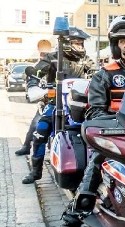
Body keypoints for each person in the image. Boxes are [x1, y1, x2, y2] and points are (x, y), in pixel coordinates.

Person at [43, 15, 125, 227]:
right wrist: (116, 123)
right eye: (123, 41)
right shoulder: (105, 75)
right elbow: (93, 113)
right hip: (115, 141)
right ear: (115, 45)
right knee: (85, 196)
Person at [19, 27, 94, 180]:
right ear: (67, 43)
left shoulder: (86, 60)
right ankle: (36, 171)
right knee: (41, 129)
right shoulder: (52, 57)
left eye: (81, 44)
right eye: (77, 43)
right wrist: (33, 83)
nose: (80, 47)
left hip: (78, 103)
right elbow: (36, 71)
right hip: (55, 101)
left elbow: (96, 74)